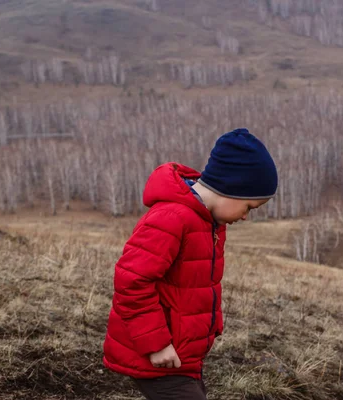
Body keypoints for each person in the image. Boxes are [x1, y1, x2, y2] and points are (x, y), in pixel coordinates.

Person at [102, 128, 278, 400]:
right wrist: (156, 345)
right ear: (231, 189)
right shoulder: (172, 218)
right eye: (249, 207)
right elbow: (131, 281)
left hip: (182, 354)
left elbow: (196, 284)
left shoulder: (208, 222)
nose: (245, 217)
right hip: (156, 354)